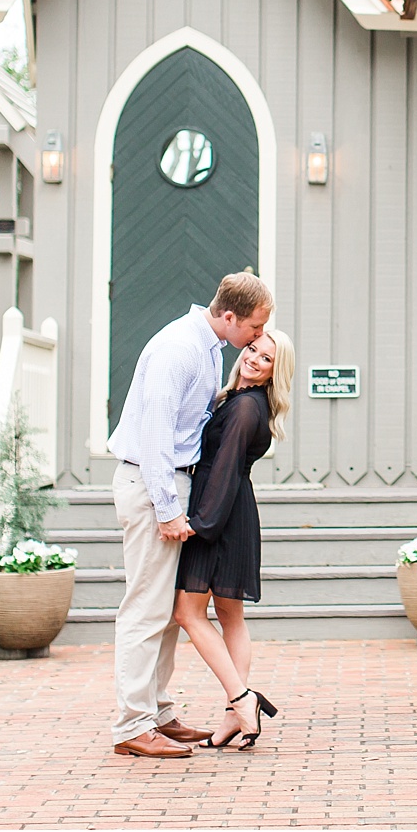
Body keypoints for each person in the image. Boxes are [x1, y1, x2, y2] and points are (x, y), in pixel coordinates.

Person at [106, 272, 273, 759]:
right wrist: (167, 509)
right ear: (229, 317)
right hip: (150, 483)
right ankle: (131, 726)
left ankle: (158, 712)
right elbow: (157, 437)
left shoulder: (209, 348)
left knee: (166, 612)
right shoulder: (177, 349)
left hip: (172, 482)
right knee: (144, 608)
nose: (258, 337)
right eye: (256, 327)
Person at [173, 327, 295, 749]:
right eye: (253, 350)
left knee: (188, 613)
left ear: (272, 374)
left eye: (266, 359)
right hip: (234, 511)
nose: (254, 359)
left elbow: (224, 468)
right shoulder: (238, 400)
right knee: (230, 617)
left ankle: (242, 700)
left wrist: (200, 523)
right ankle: (236, 716)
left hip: (219, 515)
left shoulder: (245, 408)